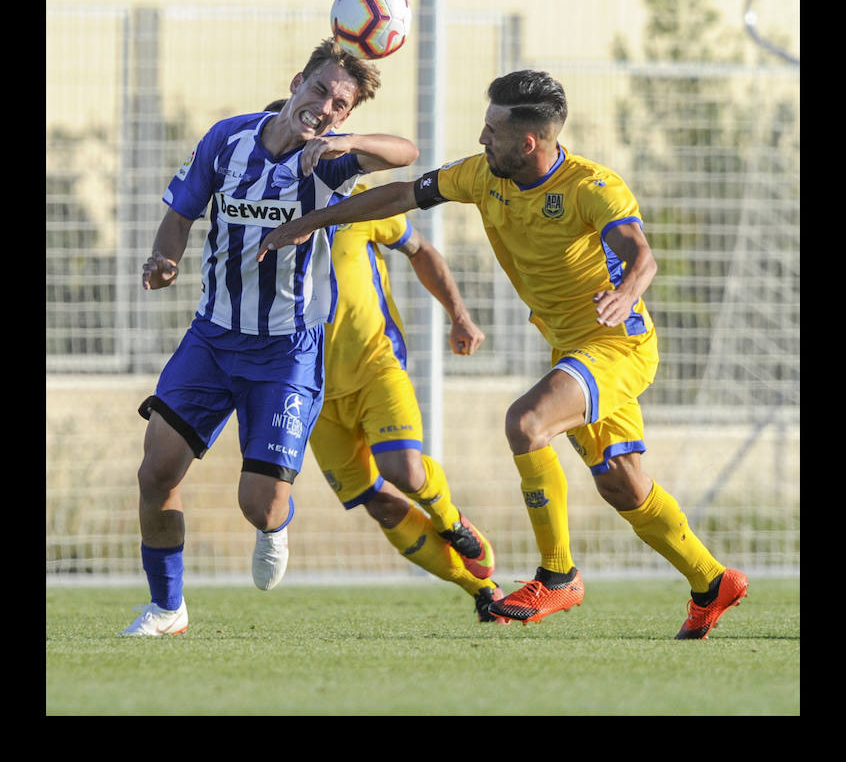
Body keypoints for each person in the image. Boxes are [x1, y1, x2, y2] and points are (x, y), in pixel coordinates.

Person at [256, 69, 749, 640]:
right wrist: (313, 221)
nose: (482, 137)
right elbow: (402, 195)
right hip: (573, 347)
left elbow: (641, 256)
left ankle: (557, 575)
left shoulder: (592, 187)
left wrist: (626, 293)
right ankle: (713, 583)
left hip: (617, 344)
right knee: (622, 484)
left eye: (493, 129)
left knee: (526, 422)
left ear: (528, 142)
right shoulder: (482, 176)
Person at [122, 39, 419, 636]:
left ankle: (276, 524)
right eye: (320, 90)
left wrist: (350, 143)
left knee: (258, 505)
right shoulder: (227, 139)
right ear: (296, 82)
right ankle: (167, 609)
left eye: (341, 104)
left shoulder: (329, 161)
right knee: (156, 472)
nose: (325, 107)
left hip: (286, 352)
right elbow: (183, 210)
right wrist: (164, 257)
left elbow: (407, 153)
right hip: (211, 339)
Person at [266, 100, 505, 622]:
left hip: (376, 366)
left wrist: (459, 315)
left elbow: (421, 250)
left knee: (406, 470)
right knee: (376, 500)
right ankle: (480, 593)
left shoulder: (359, 208)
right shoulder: (258, 225)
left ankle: (451, 522)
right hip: (309, 390)